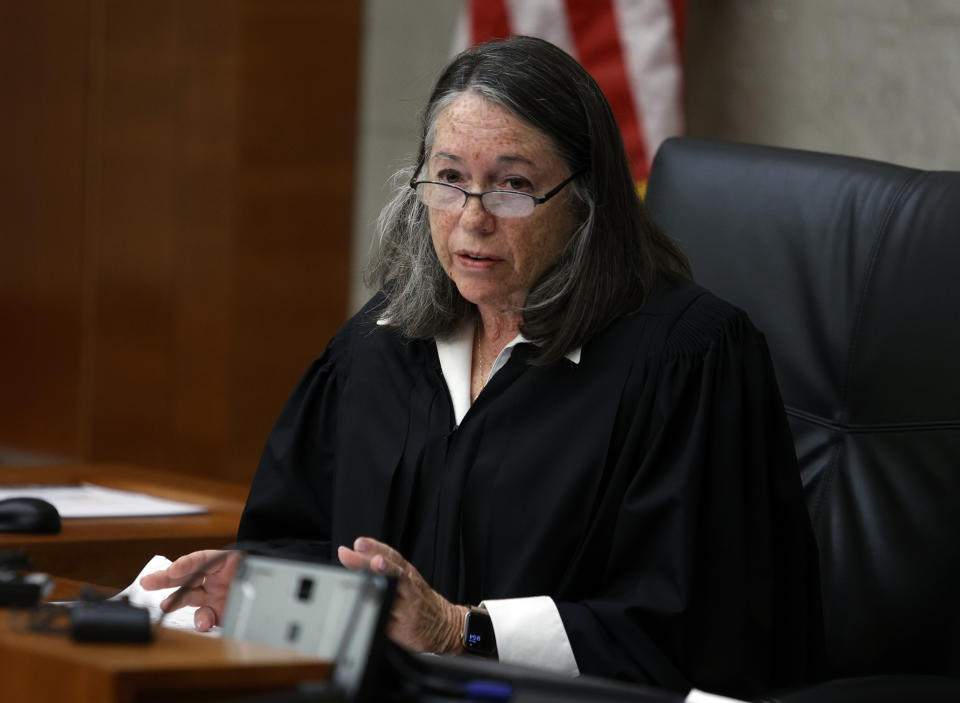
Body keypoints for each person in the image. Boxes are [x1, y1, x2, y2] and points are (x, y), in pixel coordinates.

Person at [142, 35, 824, 697]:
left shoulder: (685, 359)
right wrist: (261, 581)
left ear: (585, 200)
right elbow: (306, 534)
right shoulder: (379, 344)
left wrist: (463, 630)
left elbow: (699, 635)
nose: (471, 219)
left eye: (512, 185)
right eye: (449, 179)